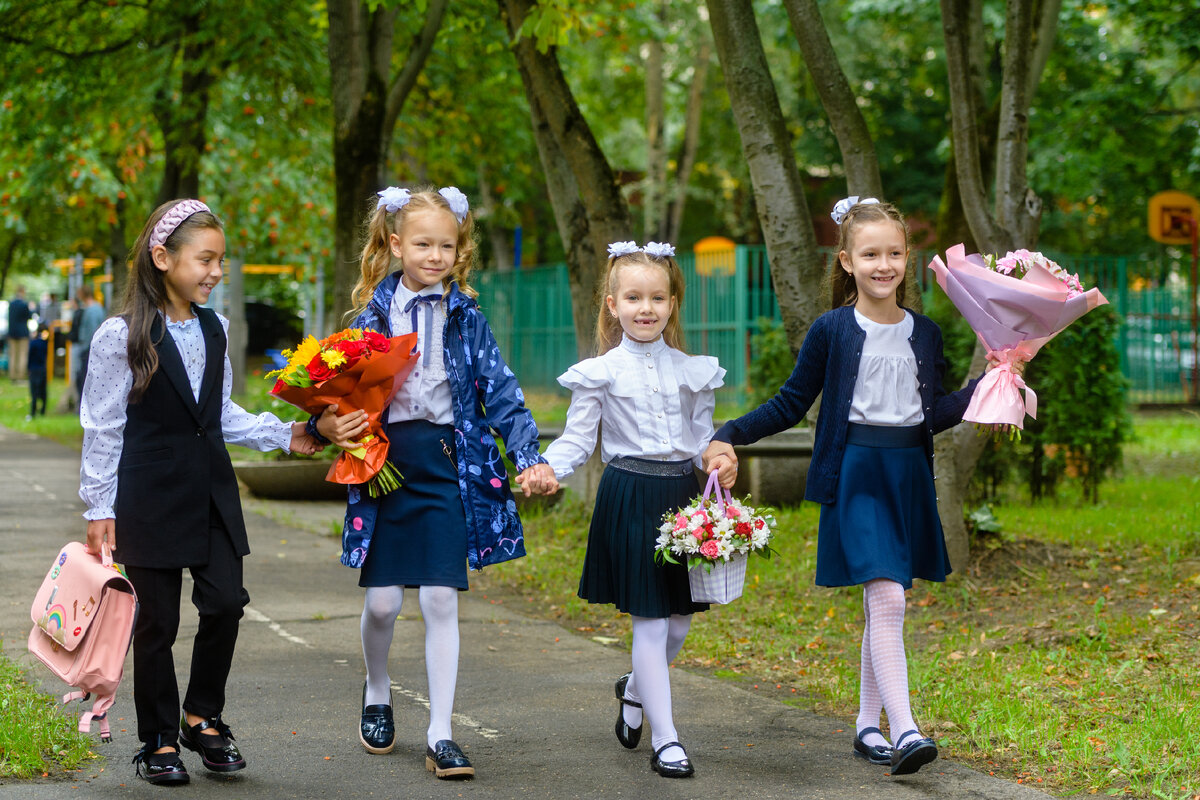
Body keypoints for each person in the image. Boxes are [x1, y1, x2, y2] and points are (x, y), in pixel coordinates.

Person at [704, 197, 985, 776]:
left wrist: (994, 382)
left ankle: (866, 724)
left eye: (894, 253)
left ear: (908, 258)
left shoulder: (925, 334)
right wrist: (729, 433)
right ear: (847, 261)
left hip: (907, 473)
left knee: (882, 601)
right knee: (888, 596)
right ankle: (905, 729)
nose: (884, 265)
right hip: (855, 470)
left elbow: (930, 413)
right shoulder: (833, 330)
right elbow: (791, 402)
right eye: (870, 254)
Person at [313, 186, 557, 781]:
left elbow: (500, 390)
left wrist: (528, 455)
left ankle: (441, 732)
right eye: (422, 243)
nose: (435, 255)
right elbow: (334, 391)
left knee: (443, 599)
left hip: (450, 464)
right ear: (395, 245)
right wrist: (319, 423)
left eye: (447, 245)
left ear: (459, 250)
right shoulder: (370, 316)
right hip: (386, 467)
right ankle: (377, 688)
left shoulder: (467, 316)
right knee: (383, 603)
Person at [79, 199, 320, 786]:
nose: (216, 272)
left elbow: (220, 413)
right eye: (205, 259)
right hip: (148, 496)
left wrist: (288, 433)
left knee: (225, 601)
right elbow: (103, 423)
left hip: (211, 488)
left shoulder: (216, 326)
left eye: (221, 261)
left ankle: (201, 716)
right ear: (162, 258)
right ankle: (159, 739)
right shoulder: (123, 334)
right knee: (155, 624)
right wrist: (99, 505)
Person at [538, 241, 727, 779]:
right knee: (648, 625)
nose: (647, 308)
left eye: (658, 298)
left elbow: (700, 440)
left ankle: (635, 689)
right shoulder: (599, 372)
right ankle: (666, 740)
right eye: (634, 298)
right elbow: (577, 441)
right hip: (628, 494)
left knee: (678, 626)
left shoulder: (694, 370)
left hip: (680, 498)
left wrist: (717, 459)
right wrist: (550, 468)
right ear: (612, 304)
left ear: (672, 303)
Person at [73, 286, 107, 399]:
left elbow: (92, 330)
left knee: (84, 377)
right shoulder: (97, 308)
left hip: (89, 348)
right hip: (91, 347)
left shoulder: (92, 310)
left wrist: (86, 346)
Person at [7, 285, 32, 381]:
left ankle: (12, 375)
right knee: (22, 355)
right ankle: (20, 375)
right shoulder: (24, 304)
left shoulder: (11, 304)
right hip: (22, 333)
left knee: (12, 355)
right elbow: (29, 316)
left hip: (12, 333)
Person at [27, 323, 49, 419]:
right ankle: (43, 410)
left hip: (34, 369)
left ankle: (33, 411)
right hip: (42, 369)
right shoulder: (45, 343)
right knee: (43, 391)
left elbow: (30, 356)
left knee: (34, 392)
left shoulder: (33, 343)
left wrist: (28, 368)